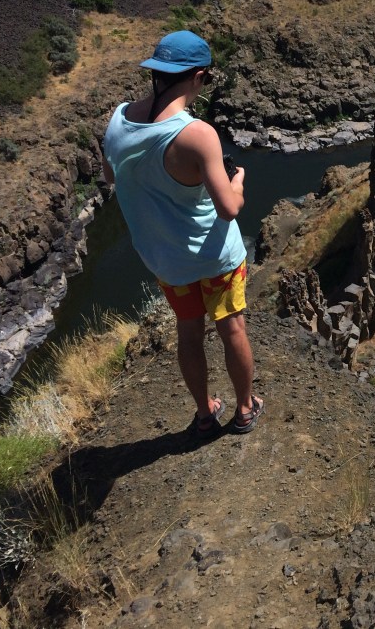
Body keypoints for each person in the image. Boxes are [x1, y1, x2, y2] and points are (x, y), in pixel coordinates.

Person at [102, 31, 263, 437]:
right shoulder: (196, 133)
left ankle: (204, 412)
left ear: (156, 73)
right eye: (205, 81)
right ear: (198, 76)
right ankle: (245, 409)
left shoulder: (119, 120)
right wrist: (238, 182)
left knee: (189, 332)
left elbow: (112, 178)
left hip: (166, 262)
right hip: (216, 257)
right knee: (232, 328)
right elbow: (228, 208)